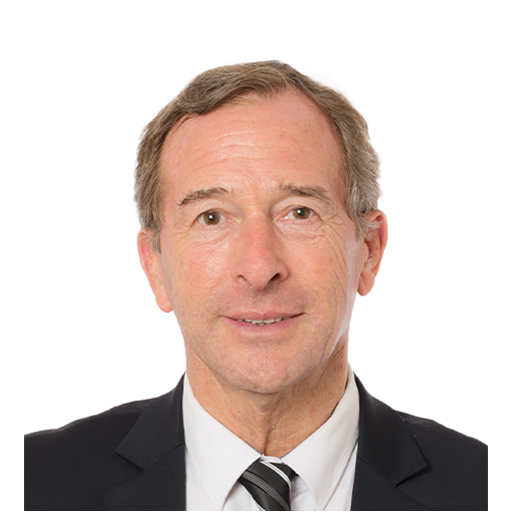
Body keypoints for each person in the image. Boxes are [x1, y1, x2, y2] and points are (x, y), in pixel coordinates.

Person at [24, 61, 487, 511]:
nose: (260, 267)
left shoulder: (486, 489)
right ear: (155, 266)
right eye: (211, 217)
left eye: (299, 212)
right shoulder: (31, 484)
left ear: (369, 250)